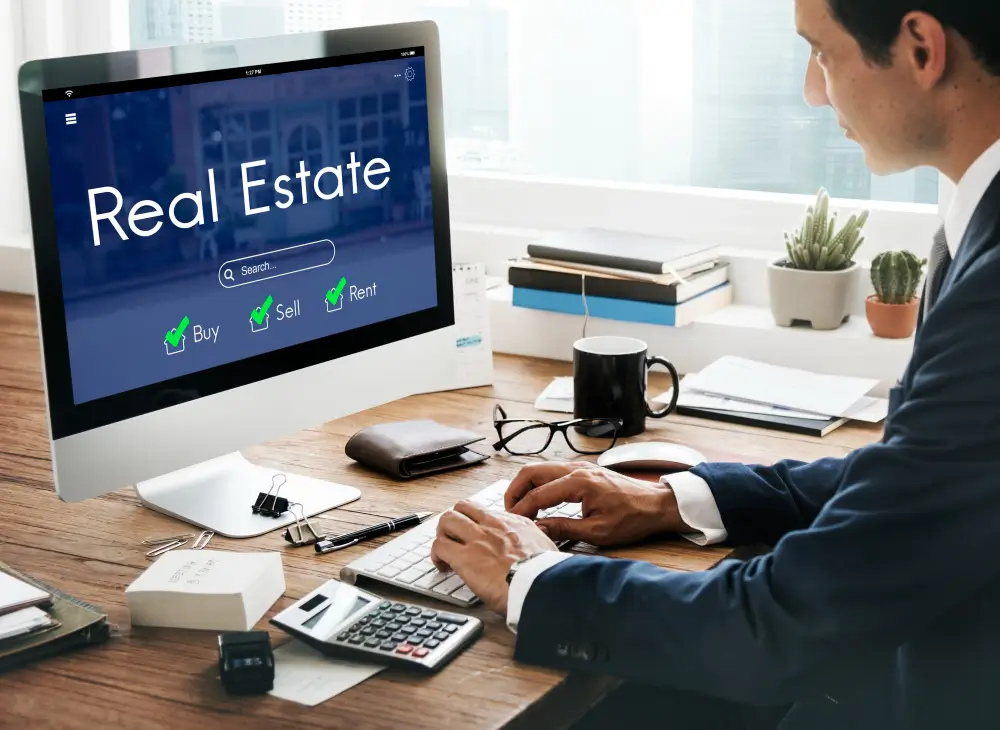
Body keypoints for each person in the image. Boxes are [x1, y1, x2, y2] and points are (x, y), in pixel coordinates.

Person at [430, 1, 1000, 728]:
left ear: (921, 48)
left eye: (821, 52)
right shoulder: (978, 217)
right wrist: (678, 500)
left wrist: (532, 577)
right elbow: (921, 476)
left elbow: (783, 626)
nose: (812, 91)